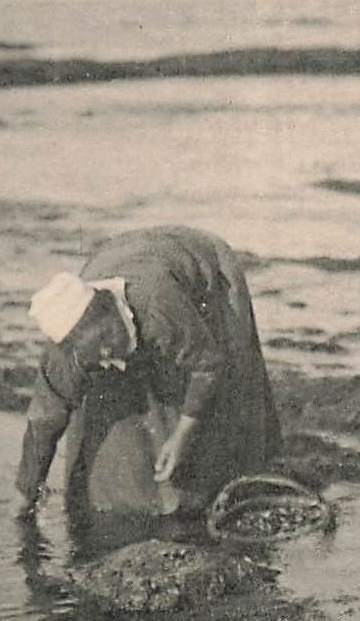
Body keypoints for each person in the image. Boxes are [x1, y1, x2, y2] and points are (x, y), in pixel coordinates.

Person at [16, 227, 281, 529]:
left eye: (105, 337)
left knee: (218, 401)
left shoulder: (156, 305)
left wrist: (182, 435)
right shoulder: (65, 353)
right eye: (93, 352)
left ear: (112, 309)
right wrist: (27, 493)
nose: (104, 351)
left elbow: (207, 365)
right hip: (116, 255)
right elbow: (44, 419)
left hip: (200, 265)